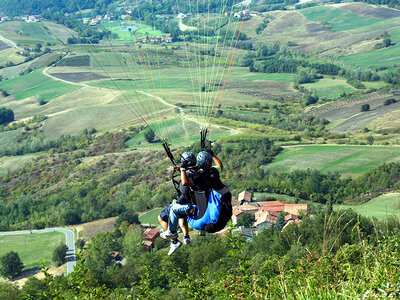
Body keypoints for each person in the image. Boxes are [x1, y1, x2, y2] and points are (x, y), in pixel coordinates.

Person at [160, 151, 199, 255]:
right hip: (193, 204)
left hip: (187, 205)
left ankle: (174, 240)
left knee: (162, 217)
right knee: (181, 218)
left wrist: (182, 170)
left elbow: (184, 192)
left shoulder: (188, 176)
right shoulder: (199, 172)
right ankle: (186, 236)